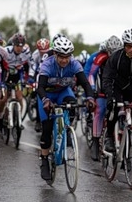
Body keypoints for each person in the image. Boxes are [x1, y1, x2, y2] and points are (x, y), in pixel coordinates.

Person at [35, 35, 95, 180]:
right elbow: (40, 87)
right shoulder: (47, 64)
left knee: (72, 104)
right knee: (47, 127)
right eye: (61, 56)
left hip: (63, 91)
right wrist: (45, 100)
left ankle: (67, 130)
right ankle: (44, 160)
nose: (64, 60)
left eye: (67, 57)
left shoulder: (74, 64)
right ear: (55, 54)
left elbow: (85, 83)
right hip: (47, 93)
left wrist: (90, 97)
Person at [0, 33, 31, 130]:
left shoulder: (26, 52)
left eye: (21, 46)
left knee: (19, 97)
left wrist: (29, 79)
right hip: (6, 75)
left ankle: (18, 119)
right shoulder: (6, 51)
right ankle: (0, 116)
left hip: (17, 76)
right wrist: (0, 82)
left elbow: (30, 65)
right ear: (13, 44)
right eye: (17, 46)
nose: (19, 48)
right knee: (4, 98)